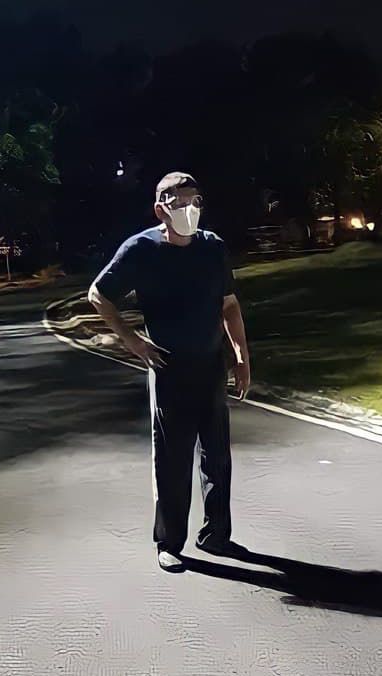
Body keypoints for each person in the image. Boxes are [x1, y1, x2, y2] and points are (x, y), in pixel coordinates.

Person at [88, 172, 251, 574]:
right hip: (169, 368)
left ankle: (216, 535)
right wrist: (132, 340)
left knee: (218, 457)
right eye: (181, 203)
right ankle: (169, 542)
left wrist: (241, 356)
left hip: (211, 365)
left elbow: (229, 305)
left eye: (196, 201)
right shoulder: (141, 250)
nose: (190, 210)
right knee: (173, 460)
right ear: (161, 210)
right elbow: (98, 295)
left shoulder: (212, 247)